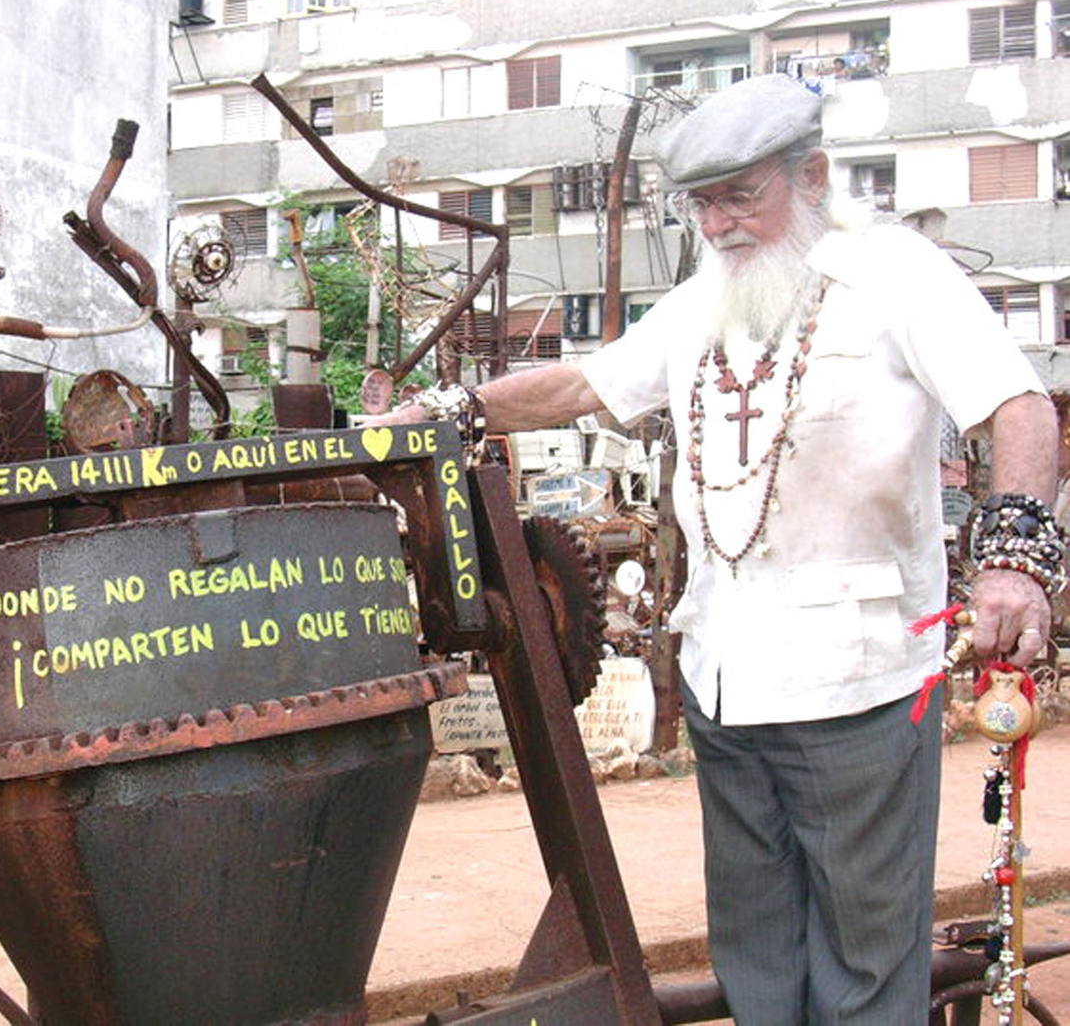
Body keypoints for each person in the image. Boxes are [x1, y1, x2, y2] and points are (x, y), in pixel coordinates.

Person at [375, 74, 1061, 1022]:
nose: (722, 221)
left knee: (864, 960)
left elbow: (1017, 404)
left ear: (812, 174)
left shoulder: (896, 272)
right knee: (757, 959)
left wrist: (1015, 561)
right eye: (705, 202)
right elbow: (586, 384)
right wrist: (448, 410)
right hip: (726, 682)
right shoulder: (705, 299)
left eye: (744, 194)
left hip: (860, 685)